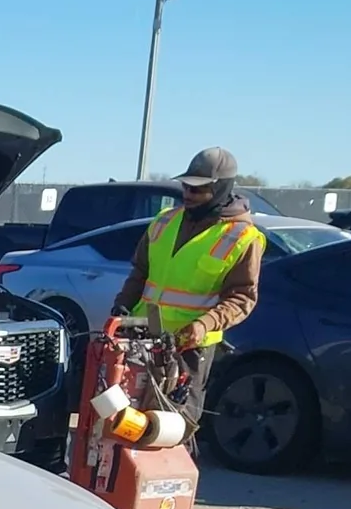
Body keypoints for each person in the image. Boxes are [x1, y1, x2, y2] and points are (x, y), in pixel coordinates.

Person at [110, 147, 266, 422]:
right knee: (128, 420)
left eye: (197, 189)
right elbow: (140, 272)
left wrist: (204, 325)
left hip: (189, 348)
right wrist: (122, 307)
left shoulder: (242, 237)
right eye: (186, 187)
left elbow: (242, 298)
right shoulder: (164, 221)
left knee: (172, 426)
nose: (188, 194)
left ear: (219, 189)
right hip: (143, 336)